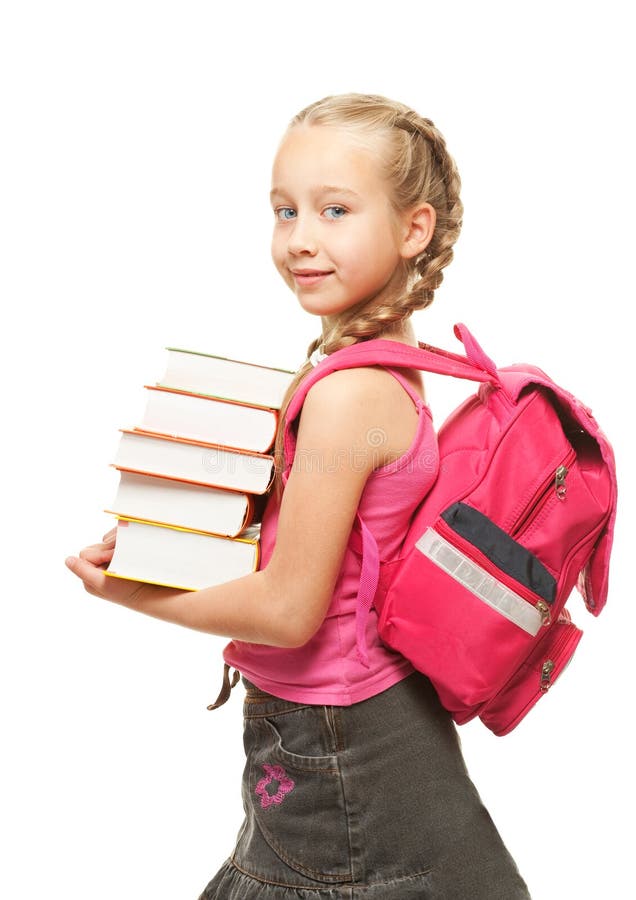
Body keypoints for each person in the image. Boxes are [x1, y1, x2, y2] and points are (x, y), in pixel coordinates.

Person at [65, 93, 531, 899]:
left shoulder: (348, 394)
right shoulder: (385, 358)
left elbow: (288, 612)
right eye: (284, 211)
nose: (300, 240)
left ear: (413, 229)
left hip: (337, 738)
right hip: (377, 720)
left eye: (335, 210)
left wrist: (133, 590)